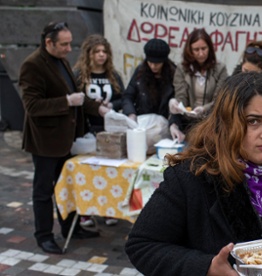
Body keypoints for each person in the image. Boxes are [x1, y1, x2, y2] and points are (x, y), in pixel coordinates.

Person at [125, 72, 262, 276]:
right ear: (227, 124)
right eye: (253, 121)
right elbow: (142, 245)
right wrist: (205, 268)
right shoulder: (191, 177)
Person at [19, 21, 108, 254]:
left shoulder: (62, 61)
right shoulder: (32, 65)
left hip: (66, 139)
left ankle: (72, 227)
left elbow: (76, 95)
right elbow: (32, 105)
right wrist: (66, 103)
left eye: (70, 43)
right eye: (64, 44)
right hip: (45, 141)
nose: (70, 48)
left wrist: (100, 109)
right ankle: (44, 236)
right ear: (49, 42)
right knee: (43, 191)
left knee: (68, 186)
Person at [73, 34, 124, 227]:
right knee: (87, 172)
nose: (101, 55)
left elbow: (122, 97)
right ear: (89, 54)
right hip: (86, 130)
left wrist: (111, 104)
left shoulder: (113, 75)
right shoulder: (79, 75)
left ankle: (109, 210)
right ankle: (85, 211)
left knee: (109, 173)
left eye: (104, 51)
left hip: (109, 131)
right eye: (97, 52)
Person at [168, 28, 228, 142]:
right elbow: (181, 97)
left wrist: (204, 109)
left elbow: (220, 99)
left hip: (212, 121)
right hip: (188, 122)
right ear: (189, 50)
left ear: (210, 48)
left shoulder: (220, 69)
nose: (201, 53)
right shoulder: (182, 69)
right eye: (196, 49)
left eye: (204, 48)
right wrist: (176, 105)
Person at [122, 38, 176, 128]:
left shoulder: (173, 75)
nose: (153, 66)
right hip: (143, 122)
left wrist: (173, 123)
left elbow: (179, 101)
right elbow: (128, 96)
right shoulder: (140, 72)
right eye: (150, 62)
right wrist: (131, 113)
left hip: (166, 125)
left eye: (157, 63)